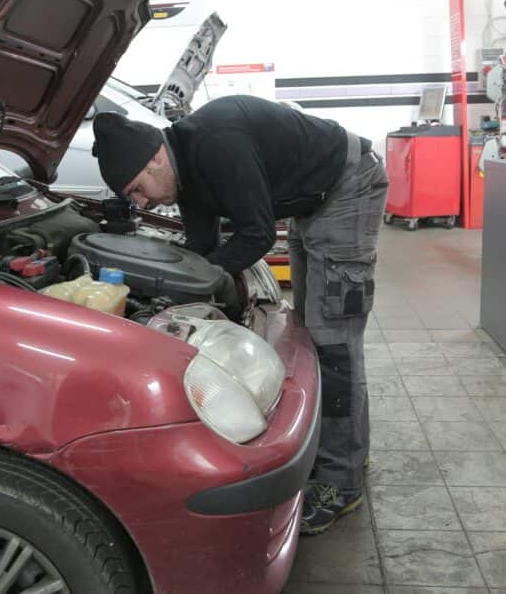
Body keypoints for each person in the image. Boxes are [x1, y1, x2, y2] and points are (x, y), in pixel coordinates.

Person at [91, 94, 388, 535]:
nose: (144, 204)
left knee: (333, 344)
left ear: (154, 158)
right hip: (313, 199)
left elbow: (257, 233)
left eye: (137, 189)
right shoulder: (183, 172)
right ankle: (344, 451)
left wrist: (208, 278)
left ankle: (340, 485)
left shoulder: (215, 145)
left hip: (348, 186)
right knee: (311, 334)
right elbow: (202, 244)